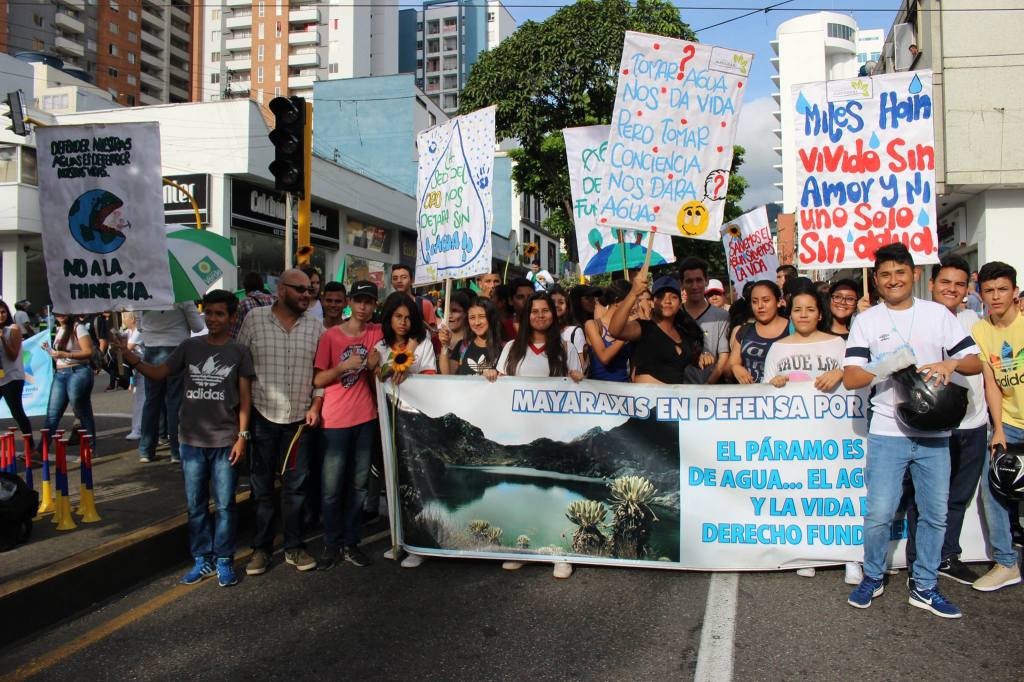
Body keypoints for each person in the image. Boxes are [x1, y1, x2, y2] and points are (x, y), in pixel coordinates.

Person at [843, 243, 981, 619]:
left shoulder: (937, 314)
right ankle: (873, 576)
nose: (893, 280)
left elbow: (974, 361)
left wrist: (950, 364)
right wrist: (886, 365)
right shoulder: (867, 321)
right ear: (876, 279)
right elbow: (851, 377)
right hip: (887, 432)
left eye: (900, 273)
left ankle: (925, 585)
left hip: (935, 433)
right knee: (879, 513)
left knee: (935, 514)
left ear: (914, 275)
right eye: (885, 274)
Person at [118, 290, 253, 588]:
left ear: (232, 318)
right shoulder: (189, 347)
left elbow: (245, 399)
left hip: (225, 442)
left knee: (225, 505)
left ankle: (224, 559)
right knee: (196, 505)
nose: (213, 319)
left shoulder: (239, 352)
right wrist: (132, 359)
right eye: (209, 313)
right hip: (191, 442)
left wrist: (242, 437)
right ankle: (202, 559)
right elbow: (158, 373)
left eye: (220, 314)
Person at [898, 256, 991, 586]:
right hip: (933, 425)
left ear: (967, 289)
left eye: (959, 284)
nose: (952, 289)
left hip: (974, 422)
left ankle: (948, 556)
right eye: (945, 282)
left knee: (958, 497)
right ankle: (918, 563)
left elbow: (980, 365)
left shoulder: (975, 320)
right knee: (923, 499)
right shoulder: (916, 318)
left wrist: (952, 364)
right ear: (931, 284)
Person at [237, 269, 324, 576]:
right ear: (281, 289)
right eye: (300, 289)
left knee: (295, 488)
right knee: (261, 488)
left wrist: (316, 404)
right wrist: (241, 421)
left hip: (299, 421)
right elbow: (241, 367)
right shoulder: (254, 320)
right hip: (262, 417)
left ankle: (294, 546)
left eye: (309, 290)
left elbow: (320, 372)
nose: (306, 294)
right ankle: (261, 549)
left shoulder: (315, 326)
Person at [762, 287, 850, 579]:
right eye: (797, 309)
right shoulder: (778, 348)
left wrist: (841, 372)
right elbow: (764, 392)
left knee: (837, 491)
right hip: (796, 437)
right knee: (801, 491)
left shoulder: (838, 343)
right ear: (790, 314)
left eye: (810, 309)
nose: (803, 315)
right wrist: (774, 383)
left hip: (834, 433)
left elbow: (855, 378)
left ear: (820, 314)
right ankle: (806, 551)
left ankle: (849, 555)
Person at [497, 291, 582, 579]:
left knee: (555, 496)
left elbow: (579, 385)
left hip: (554, 435)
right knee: (524, 495)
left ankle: (561, 553)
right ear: (526, 315)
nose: (540, 316)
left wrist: (578, 378)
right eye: (535, 311)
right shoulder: (512, 348)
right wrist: (491, 377)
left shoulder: (565, 348)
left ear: (553, 315)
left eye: (546, 310)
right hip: (521, 433)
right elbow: (499, 384)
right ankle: (523, 549)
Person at [312, 281, 386, 570]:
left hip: (366, 417)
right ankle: (332, 543)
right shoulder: (330, 336)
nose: (363, 306)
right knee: (331, 487)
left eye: (369, 301)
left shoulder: (376, 333)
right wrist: (343, 367)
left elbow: (406, 332)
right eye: (358, 300)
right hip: (334, 421)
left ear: (375, 305)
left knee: (359, 486)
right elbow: (318, 379)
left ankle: (351, 542)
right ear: (350, 302)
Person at [971, 261, 1024, 592]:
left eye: (1003, 289)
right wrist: (999, 429)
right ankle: (1006, 563)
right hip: (1009, 423)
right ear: (980, 294)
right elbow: (991, 383)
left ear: (1015, 292)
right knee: (992, 488)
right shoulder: (981, 330)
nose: (996, 296)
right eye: (989, 290)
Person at [138, 302, 206, 463]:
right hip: (177, 347)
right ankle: (176, 451)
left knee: (151, 401)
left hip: (151, 349)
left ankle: (146, 450)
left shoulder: (146, 294)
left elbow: (140, 326)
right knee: (175, 401)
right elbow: (198, 327)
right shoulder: (183, 296)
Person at [608, 275, 703, 385]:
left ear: (679, 303)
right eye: (661, 297)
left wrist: (701, 357)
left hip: (675, 396)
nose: (667, 301)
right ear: (652, 302)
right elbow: (614, 330)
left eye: (673, 297)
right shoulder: (643, 328)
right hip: (646, 396)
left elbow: (690, 360)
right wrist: (633, 293)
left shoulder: (683, 333)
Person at [43, 313, 97, 449]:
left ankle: (90, 447)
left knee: (82, 411)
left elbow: (88, 351)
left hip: (77, 372)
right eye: (57, 312)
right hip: (60, 373)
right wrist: (50, 351)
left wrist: (67, 354)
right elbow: (59, 357)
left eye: (63, 312)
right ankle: (41, 449)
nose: (60, 315)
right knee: (52, 413)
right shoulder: (59, 330)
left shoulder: (78, 327)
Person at [680, 258, 730, 384]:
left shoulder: (722, 316)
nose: (694, 286)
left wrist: (708, 385)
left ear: (706, 281)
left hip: (712, 389)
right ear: (682, 284)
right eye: (689, 281)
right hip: (680, 388)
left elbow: (723, 355)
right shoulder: (675, 314)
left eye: (699, 280)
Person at [727, 281, 789, 384]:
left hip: (783, 393)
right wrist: (735, 367)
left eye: (766, 300)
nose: (760, 306)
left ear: (779, 302)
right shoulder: (744, 331)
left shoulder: (793, 329)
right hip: (750, 393)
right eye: (754, 301)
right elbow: (727, 370)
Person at [439, 297, 502, 378]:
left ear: (491, 318)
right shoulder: (462, 346)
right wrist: (445, 345)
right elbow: (447, 374)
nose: (477, 323)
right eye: (472, 317)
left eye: (482, 316)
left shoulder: (504, 348)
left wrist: (496, 374)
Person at [0, 300, 33, 450]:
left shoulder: (13, 328)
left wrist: (2, 338)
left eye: (3, 312)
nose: (1, 315)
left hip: (12, 377)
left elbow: (13, 355)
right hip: (1, 376)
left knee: (17, 412)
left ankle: (30, 447)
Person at [584, 281, 632, 382]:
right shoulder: (592, 325)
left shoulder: (631, 325)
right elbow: (604, 357)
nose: (634, 305)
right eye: (630, 301)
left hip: (625, 387)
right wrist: (624, 334)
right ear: (617, 301)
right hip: (598, 389)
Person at [551, 286, 586, 373]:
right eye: (552, 302)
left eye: (561, 302)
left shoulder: (575, 332)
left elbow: (581, 368)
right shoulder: (541, 332)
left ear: (567, 307)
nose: (556, 305)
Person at [391, 264, 437, 331]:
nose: (399, 281)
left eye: (404, 277)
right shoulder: (389, 304)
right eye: (395, 278)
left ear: (412, 280)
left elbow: (434, 333)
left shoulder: (424, 304)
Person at [230, 272, 275, 340]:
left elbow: (235, 334)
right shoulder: (275, 300)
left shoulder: (243, 304)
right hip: (273, 341)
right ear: (262, 286)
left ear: (245, 288)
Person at [123, 313, 145, 440]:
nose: (123, 320)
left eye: (125, 317)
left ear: (132, 319)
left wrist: (119, 344)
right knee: (139, 399)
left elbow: (127, 348)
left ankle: (138, 429)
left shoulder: (139, 331)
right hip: (136, 369)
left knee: (141, 399)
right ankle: (137, 428)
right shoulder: (128, 332)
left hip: (144, 367)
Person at [437, 291, 470, 359]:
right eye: (446, 311)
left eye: (454, 311)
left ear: (466, 313)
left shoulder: (474, 341)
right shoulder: (436, 340)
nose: (449, 315)